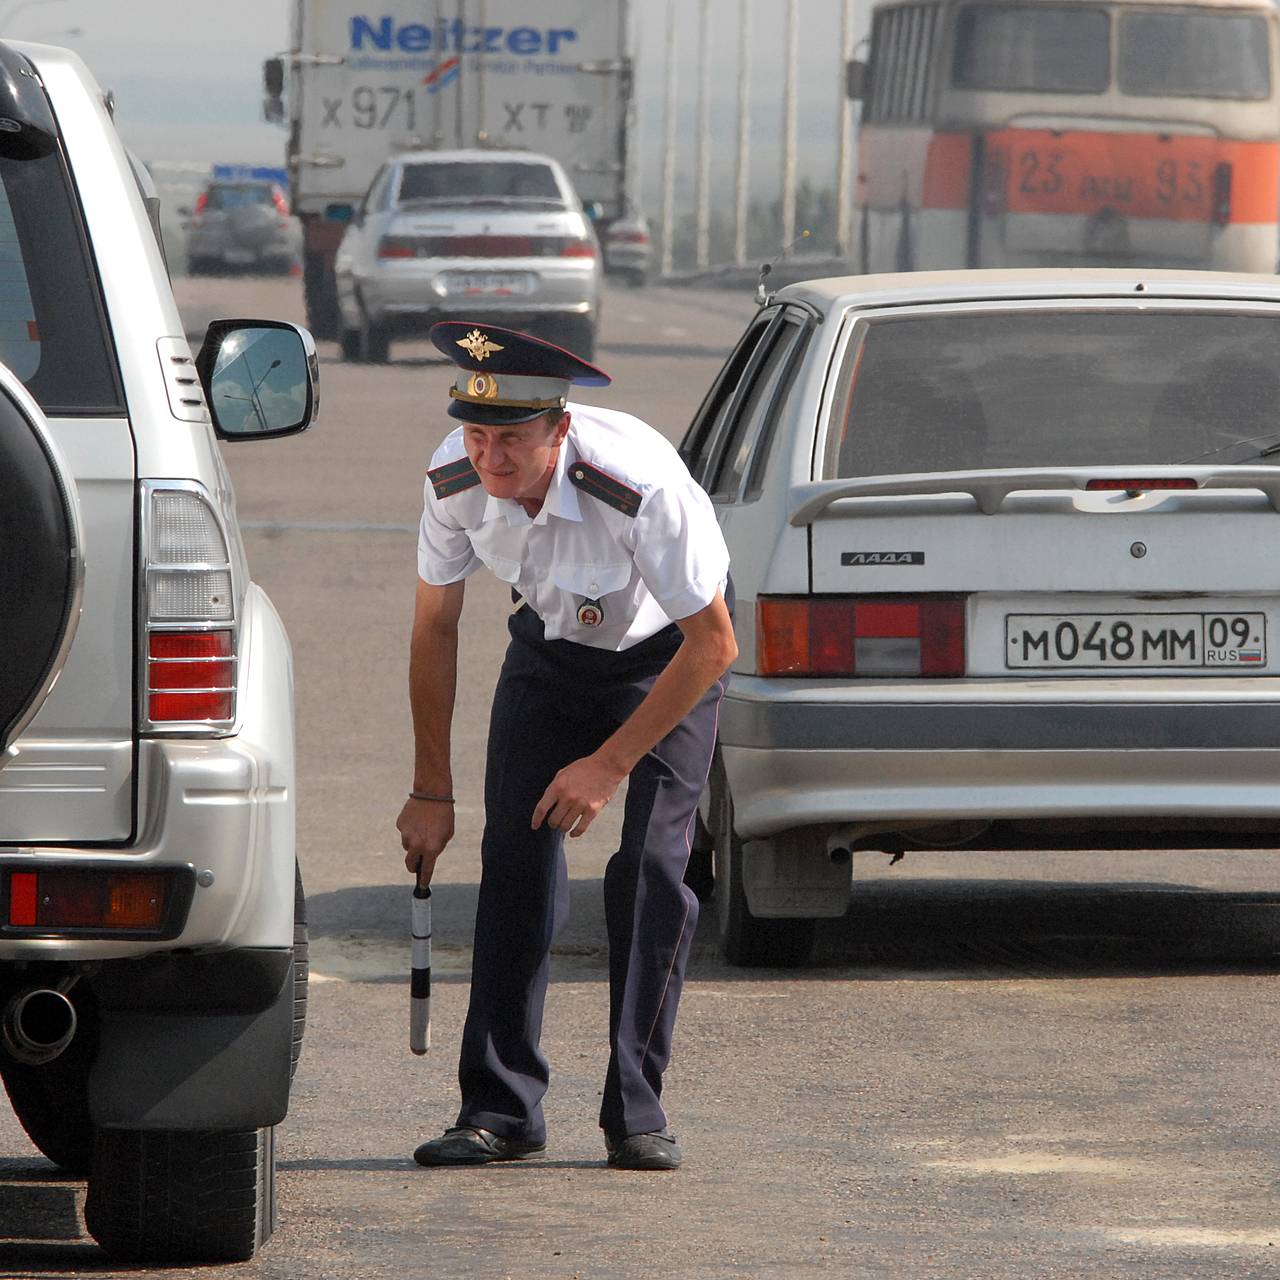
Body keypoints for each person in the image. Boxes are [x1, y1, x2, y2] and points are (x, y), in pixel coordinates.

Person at [397, 322, 736, 1172]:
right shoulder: (453, 477)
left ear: (560, 428)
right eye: (478, 435)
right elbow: (435, 626)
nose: (491, 459)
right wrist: (430, 790)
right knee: (513, 853)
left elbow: (714, 645)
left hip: (669, 660)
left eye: (512, 438)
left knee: (654, 870)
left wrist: (609, 763)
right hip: (549, 656)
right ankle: (500, 1109)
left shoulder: (636, 486)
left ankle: (636, 1110)